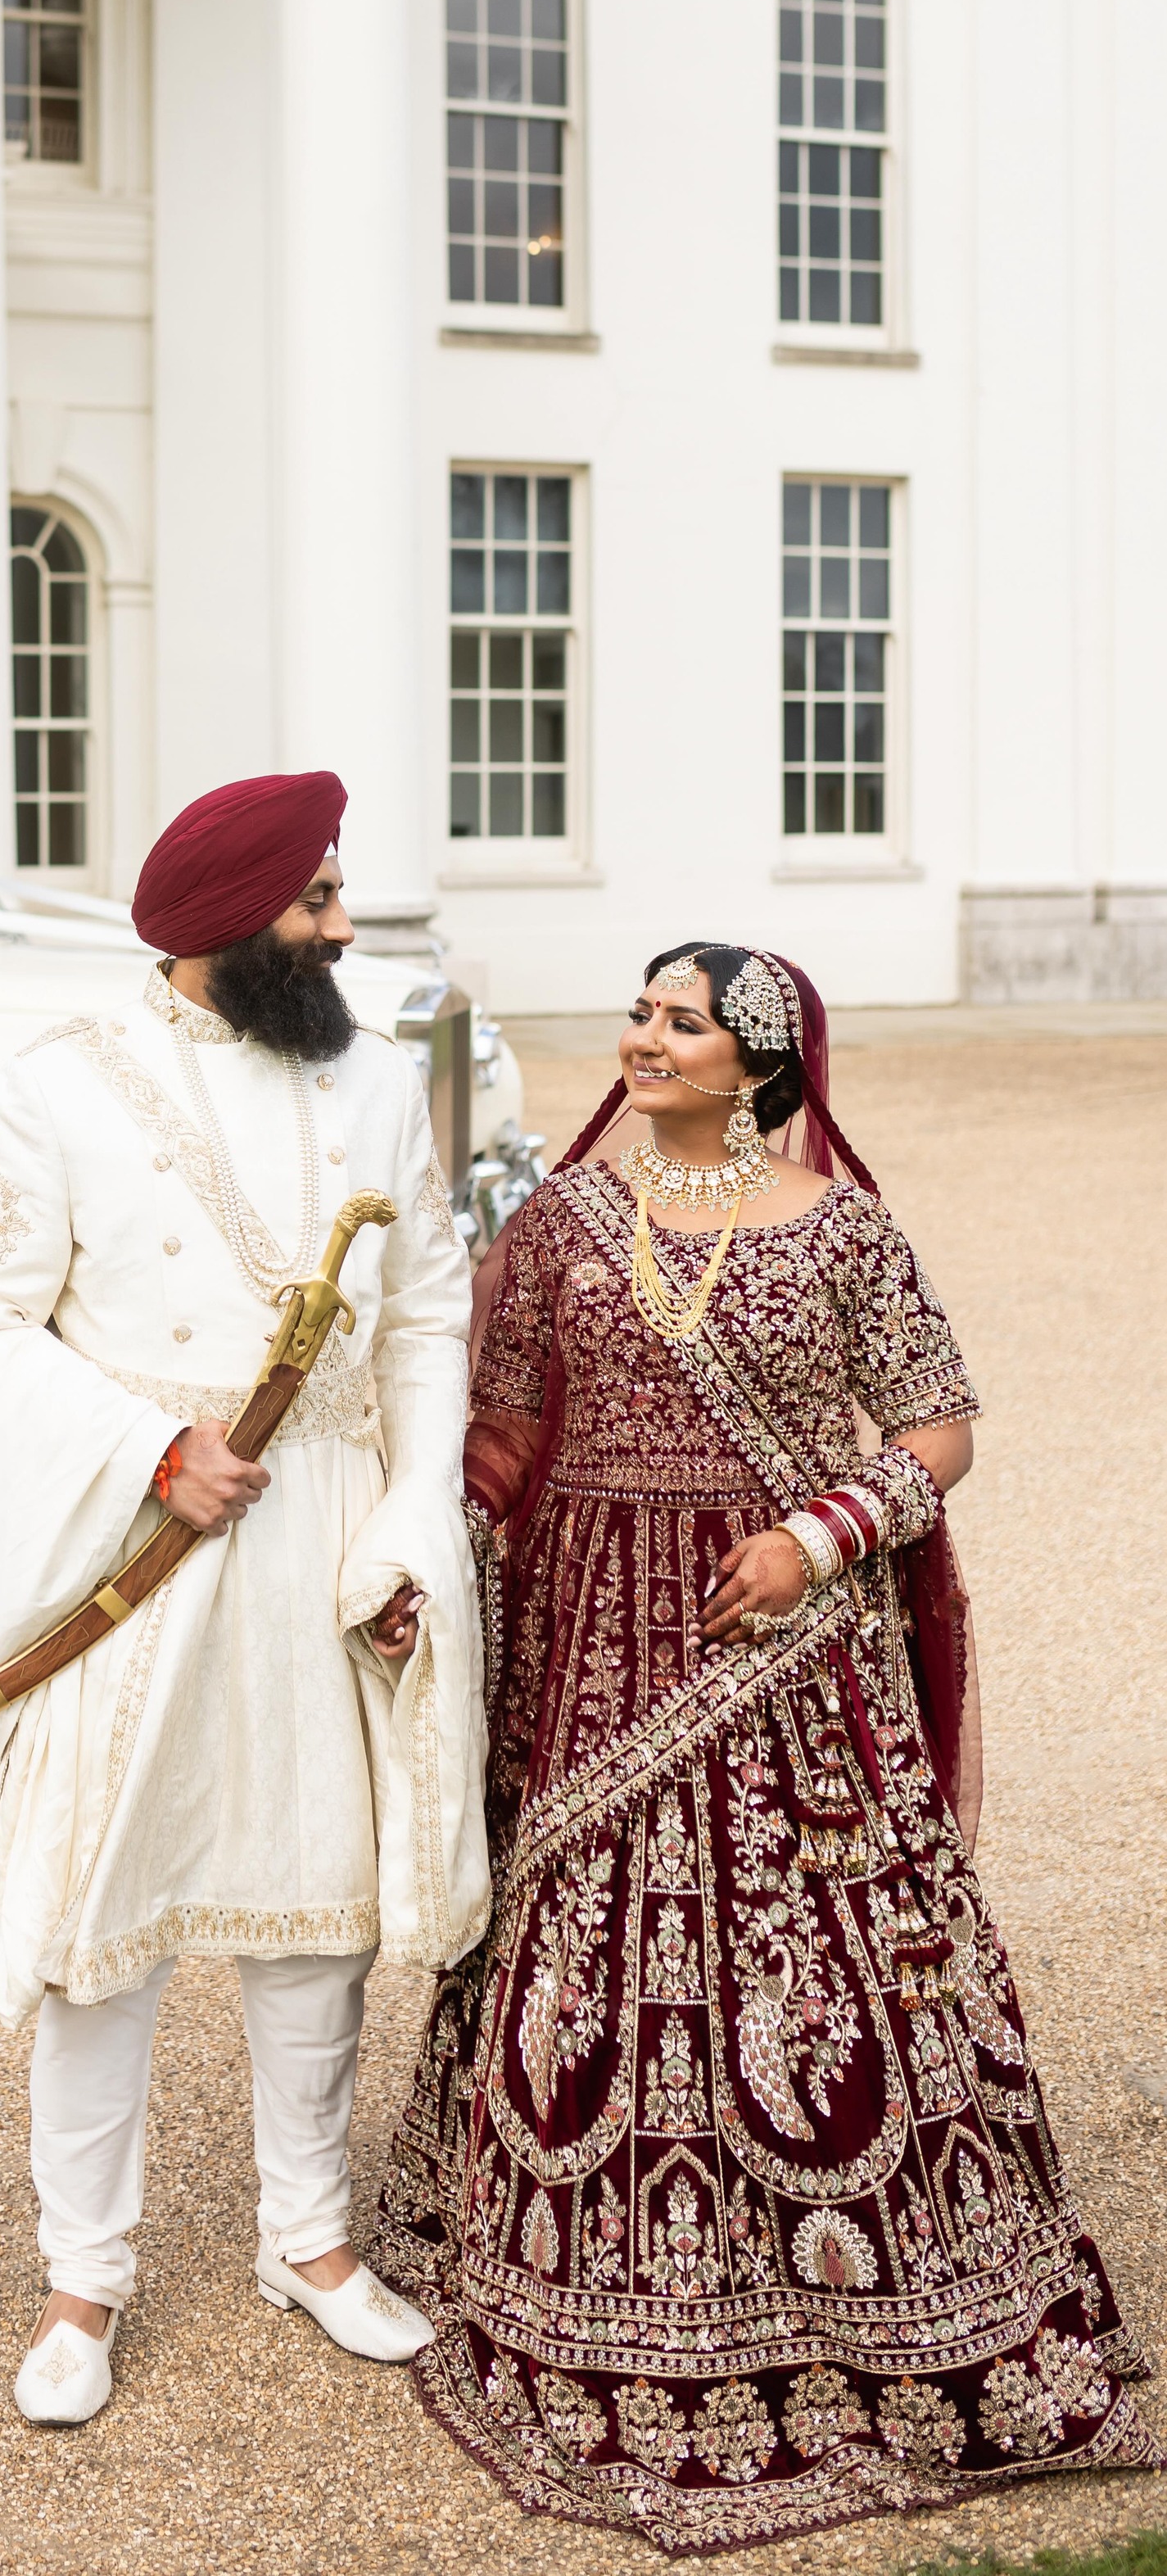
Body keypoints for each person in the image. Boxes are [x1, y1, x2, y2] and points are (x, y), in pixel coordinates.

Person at [376, 941, 1159, 2547]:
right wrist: (421, 1578)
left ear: (759, 1057)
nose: (642, 1037)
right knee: (583, 1955)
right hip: (592, 1645)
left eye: (681, 1020)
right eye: (641, 1012)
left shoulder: (843, 1228)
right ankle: (584, 2275)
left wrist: (822, 1532)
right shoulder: (557, 1226)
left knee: (824, 1953)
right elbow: (496, 1441)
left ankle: (876, 2281)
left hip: (790, 1646)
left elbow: (937, 1423)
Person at [0, 771, 489, 2427]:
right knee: (106, 1928)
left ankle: (307, 2241)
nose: (340, 926)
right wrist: (144, 1449)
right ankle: (81, 2272)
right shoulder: (61, 1089)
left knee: (314, 1914)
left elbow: (425, 1318)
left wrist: (407, 1522)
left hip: (321, 1526)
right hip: (142, 1543)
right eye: (317, 900)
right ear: (224, 924)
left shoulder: (380, 1078)